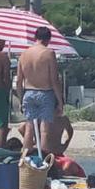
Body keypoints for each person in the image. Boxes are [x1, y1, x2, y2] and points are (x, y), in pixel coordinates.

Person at [15, 26, 63, 158]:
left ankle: (25, 159)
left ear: (35, 37)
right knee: (44, 130)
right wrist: (60, 101)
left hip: (28, 93)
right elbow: (54, 79)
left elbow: (19, 80)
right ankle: (43, 160)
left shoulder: (24, 54)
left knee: (29, 127)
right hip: (45, 93)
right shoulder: (49, 53)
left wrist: (20, 99)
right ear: (48, 39)